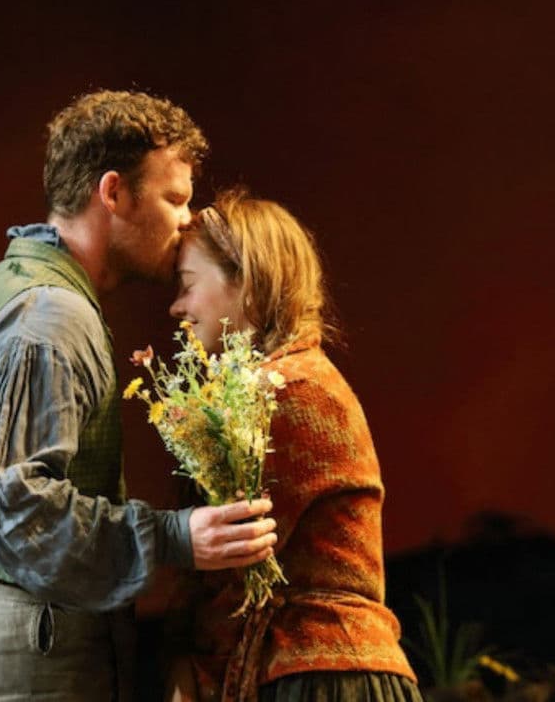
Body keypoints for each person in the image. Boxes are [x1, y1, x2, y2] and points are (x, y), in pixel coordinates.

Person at [0, 91, 279, 702]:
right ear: (113, 193)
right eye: (175, 198)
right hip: (28, 663)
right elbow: (9, 501)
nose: (188, 220)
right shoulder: (50, 315)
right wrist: (172, 537)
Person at [164, 189, 420, 702]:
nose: (177, 307)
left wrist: (187, 667)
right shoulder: (292, 382)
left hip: (322, 675)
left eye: (188, 285)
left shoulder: (287, 391)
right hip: (314, 670)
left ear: (249, 282)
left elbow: (236, 567)